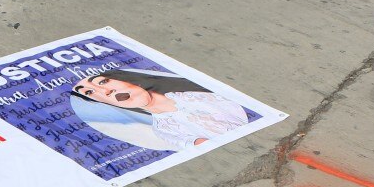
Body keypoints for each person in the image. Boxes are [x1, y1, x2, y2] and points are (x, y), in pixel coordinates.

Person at [71, 69, 259, 151]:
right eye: (91, 93)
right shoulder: (164, 130)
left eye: (103, 82)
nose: (107, 91)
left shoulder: (196, 93)